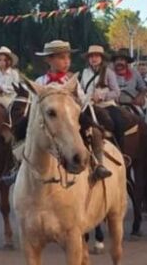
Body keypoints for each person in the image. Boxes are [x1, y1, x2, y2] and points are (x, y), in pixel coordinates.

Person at [30, 40, 113, 181]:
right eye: (62, 58)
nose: (67, 62)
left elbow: (81, 99)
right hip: (47, 120)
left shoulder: (70, 80)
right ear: (49, 59)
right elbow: (34, 102)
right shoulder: (40, 81)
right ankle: (18, 167)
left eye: (68, 57)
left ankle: (99, 164)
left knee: (96, 132)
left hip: (70, 117)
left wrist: (78, 101)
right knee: (22, 131)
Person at [79, 45, 125, 178]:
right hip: (89, 105)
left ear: (101, 58)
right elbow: (81, 90)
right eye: (91, 56)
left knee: (118, 121)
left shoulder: (108, 72)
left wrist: (102, 96)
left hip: (106, 104)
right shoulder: (85, 73)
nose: (93, 59)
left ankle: (121, 153)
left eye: (96, 56)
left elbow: (116, 92)